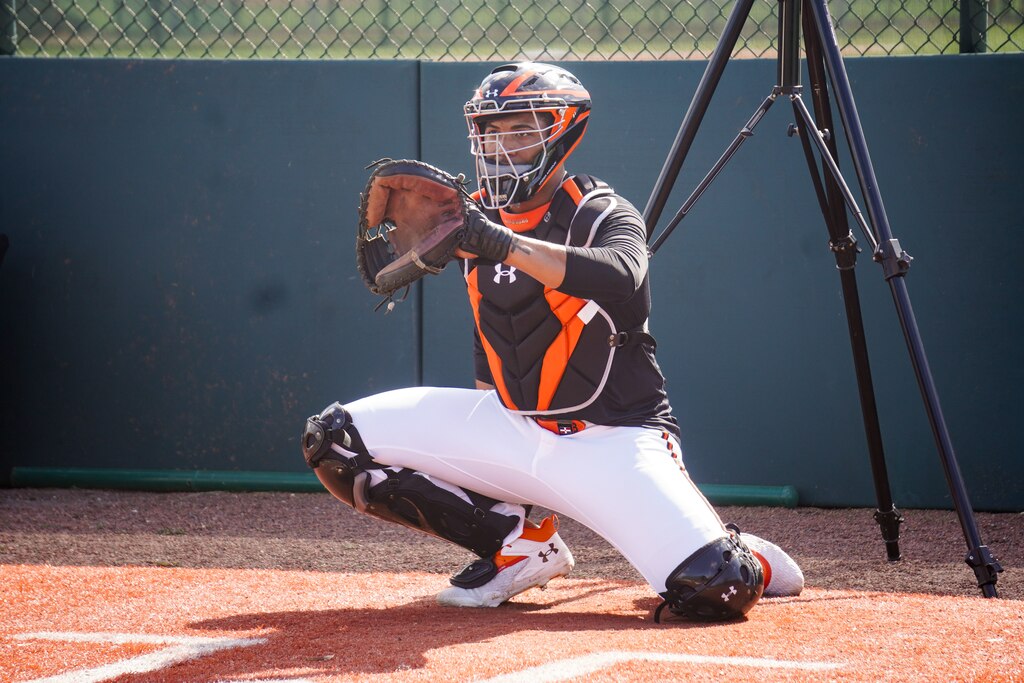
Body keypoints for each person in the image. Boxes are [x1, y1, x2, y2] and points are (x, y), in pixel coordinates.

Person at [302, 62, 803, 622]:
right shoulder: (473, 222)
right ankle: (518, 545)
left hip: (613, 441)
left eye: (519, 131)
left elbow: (623, 271)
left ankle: (738, 547)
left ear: (563, 129)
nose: (500, 145)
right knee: (335, 440)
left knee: (716, 588)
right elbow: (492, 335)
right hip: (516, 425)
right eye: (490, 133)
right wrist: (493, 470)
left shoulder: (599, 211)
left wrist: (500, 242)